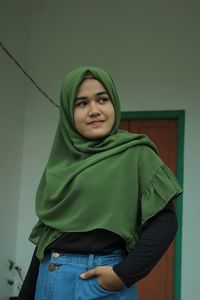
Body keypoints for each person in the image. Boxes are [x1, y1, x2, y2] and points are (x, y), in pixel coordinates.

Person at [18, 66, 182, 300]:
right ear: (67, 112)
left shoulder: (136, 153)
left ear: (114, 103)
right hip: (49, 278)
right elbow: (48, 237)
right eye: (82, 103)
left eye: (102, 99)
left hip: (100, 280)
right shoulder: (60, 164)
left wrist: (122, 274)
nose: (94, 110)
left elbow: (165, 221)